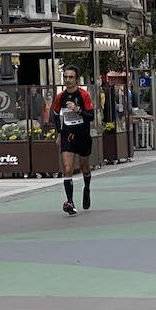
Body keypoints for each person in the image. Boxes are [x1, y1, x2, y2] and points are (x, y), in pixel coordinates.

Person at [51, 67, 95, 214]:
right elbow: (56, 115)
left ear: (77, 79)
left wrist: (78, 110)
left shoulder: (84, 95)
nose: (68, 80)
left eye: (71, 77)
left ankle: (87, 188)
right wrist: (58, 133)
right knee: (68, 168)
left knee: (84, 167)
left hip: (82, 134)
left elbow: (91, 116)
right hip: (67, 134)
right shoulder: (60, 97)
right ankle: (70, 202)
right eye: (66, 77)